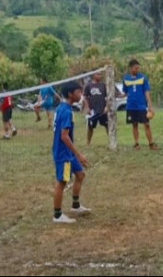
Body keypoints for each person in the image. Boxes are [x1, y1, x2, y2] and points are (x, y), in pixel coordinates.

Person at [53, 82, 91, 224]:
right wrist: (79, 155)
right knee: (62, 182)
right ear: (70, 94)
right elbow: (64, 136)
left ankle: (75, 206)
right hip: (64, 154)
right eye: (78, 92)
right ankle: (57, 215)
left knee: (80, 174)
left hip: (69, 153)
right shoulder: (66, 111)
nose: (80, 95)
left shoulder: (64, 108)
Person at [123, 59, 158, 151]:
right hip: (131, 106)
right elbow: (125, 92)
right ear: (131, 68)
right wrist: (117, 96)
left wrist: (150, 105)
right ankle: (136, 143)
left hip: (141, 106)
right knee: (134, 124)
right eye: (136, 68)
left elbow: (147, 92)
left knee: (146, 124)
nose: (137, 70)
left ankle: (151, 143)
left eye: (138, 68)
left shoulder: (143, 78)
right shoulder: (126, 79)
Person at [83, 71, 108, 146]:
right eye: (98, 74)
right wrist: (87, 107)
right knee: (90, 127)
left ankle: (111, 141)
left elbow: (107, 97)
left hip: (102, 109)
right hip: (93, 110)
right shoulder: (88, 85)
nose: (100, 76)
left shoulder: (103, 85)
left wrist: (106, 106)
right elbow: (85, 97)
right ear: (94, 75)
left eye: (100, 74)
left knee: (107, 125)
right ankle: (88, 142)